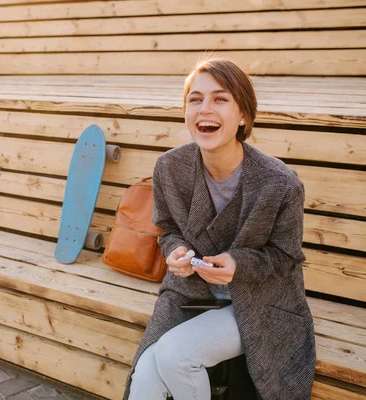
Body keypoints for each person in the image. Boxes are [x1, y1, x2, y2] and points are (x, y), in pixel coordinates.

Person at [124, 57, 316, 400]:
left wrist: (238, 264)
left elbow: (285, 257)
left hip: (262, 301)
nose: (204, 109)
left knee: (176, 356)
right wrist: (175, 253)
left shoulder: (281, 183)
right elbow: (168, 230)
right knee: (145, 376)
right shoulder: (169, 168)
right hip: (190, 293)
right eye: (195, 99)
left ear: (243, 115)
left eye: (220, 98)